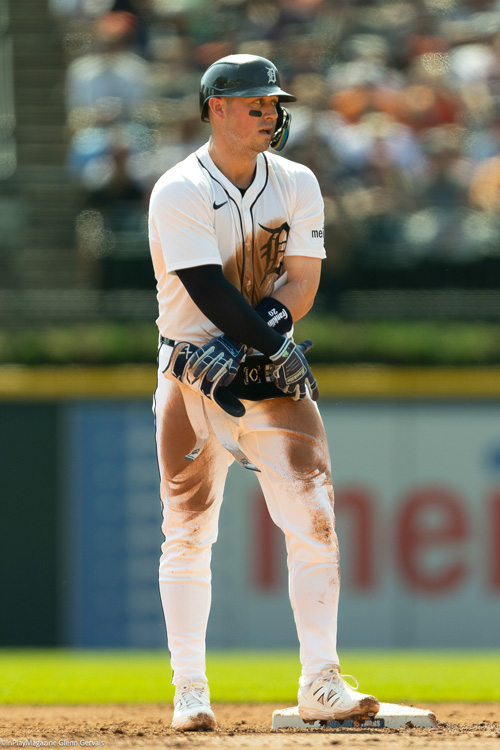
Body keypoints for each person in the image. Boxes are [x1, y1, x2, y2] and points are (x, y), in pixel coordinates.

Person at [148, 53, 380, 732]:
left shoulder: (298, 181)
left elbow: (301, 282)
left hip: (267, 376)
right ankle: (190, 690)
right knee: (188, 532)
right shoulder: (180, 187)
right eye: (257, 103)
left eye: (275, 103)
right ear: (216, 108)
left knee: (315, 521)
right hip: (192, 375)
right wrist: (272, 345)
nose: (271, 114)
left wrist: (265, 340)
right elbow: (208, 289)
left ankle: (321, 682)